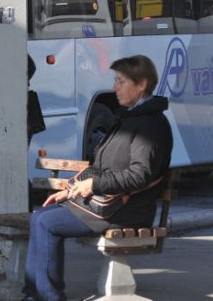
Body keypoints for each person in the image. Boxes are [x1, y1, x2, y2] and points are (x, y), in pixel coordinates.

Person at [22, 55, 173, 301]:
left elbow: (140, 175)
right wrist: (70, 189)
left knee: (45, 223)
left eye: (121, 82)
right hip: (108, 204)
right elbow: (100, 165)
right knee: (39, 216)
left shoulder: (151, 125)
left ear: (142, 84)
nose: (115, 88)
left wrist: (94, 184)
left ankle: (48, 296)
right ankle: (33, 294)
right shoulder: (129, 118)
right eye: (116, 81)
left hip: (127, 210)